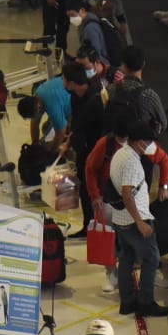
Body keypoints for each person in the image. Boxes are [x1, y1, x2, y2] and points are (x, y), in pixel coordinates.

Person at [85, 113, 168, 295]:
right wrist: (95, 196)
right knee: (109, 238)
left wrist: (164, 185)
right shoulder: (106, 145)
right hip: (110, 201)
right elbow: (90, 168)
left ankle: (151, 271)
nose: (122, 142)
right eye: (120, 139)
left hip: (136, 201)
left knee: (139, 243)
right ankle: (111, 273)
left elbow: (165, 160)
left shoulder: (142, 145)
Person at [110, 122, 168, 317]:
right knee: (151, 259)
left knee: (126, 259)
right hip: (134, 220)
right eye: (149, 141)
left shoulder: (120, 154)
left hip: (119, 219)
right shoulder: (132, 162)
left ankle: (127, 302)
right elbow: (127, 193)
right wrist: (140, 222)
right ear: (140, 142)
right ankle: (146, 302)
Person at [65, 60, 107, 239]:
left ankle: (98, 226)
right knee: (84, 188)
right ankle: (88, 225)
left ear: (71, 82)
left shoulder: (95, 100)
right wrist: (69, 143)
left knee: (94, 189)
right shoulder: (76, 96)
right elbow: (77, 125)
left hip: (95, 150)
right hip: (83, 149)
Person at [109, 46, 167, 136]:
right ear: (143, 64)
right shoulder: (149, 95)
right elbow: (163, 123)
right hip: (141, 144)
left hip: (118, 141)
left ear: (122, 65)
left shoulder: (111, 90)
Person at [66, 0, 111, 67]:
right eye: (69, 16)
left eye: (72, 15)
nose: (71, 19)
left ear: (82, 10)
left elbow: (94, 56)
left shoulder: (90, 29)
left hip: (101, 65)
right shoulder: (88, 21)